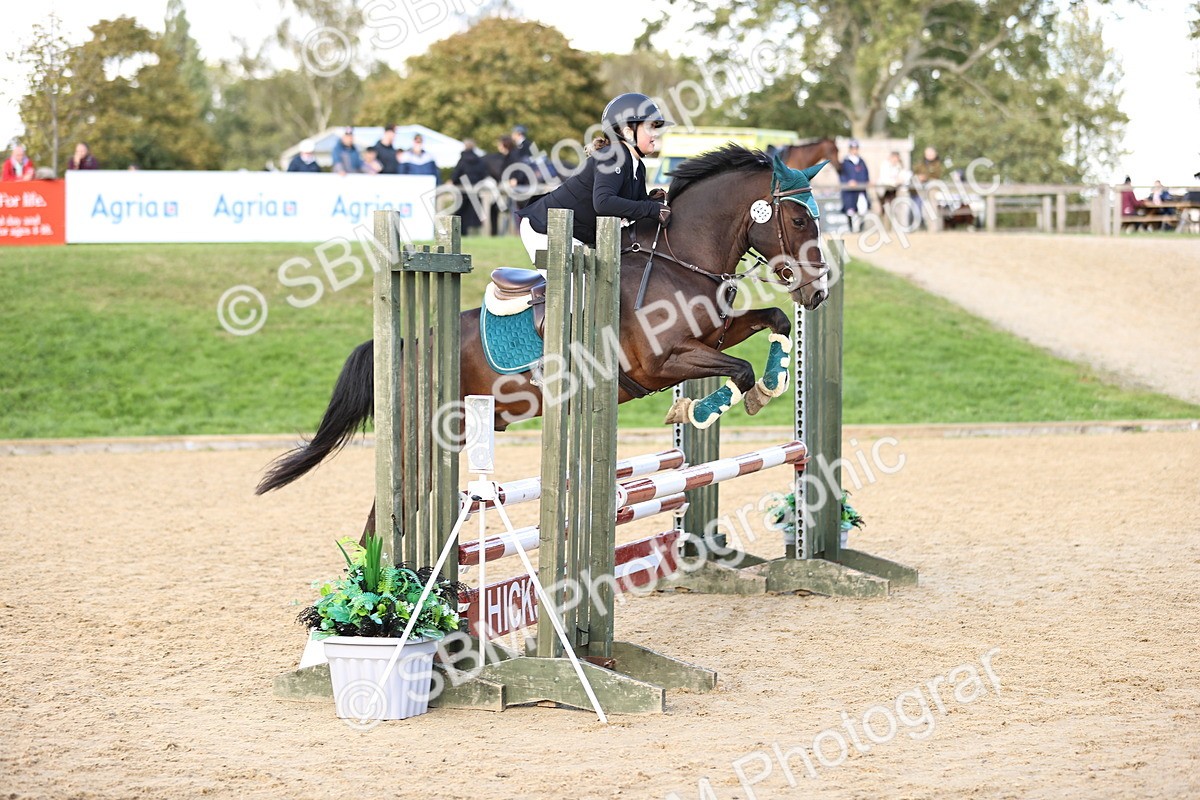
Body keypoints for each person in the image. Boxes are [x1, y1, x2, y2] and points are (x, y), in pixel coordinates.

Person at [517, 92, 672, 264]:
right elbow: (603, 203)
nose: (656, 134)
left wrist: (654, 201)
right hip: (545, 229)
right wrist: (651, 209)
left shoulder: (638, 166)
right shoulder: (612, 156)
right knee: (581, 288)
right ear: (628, 132)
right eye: (650, 127)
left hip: (570, 233)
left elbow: (634, 208)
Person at [449, 139, 490, 235]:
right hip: (476, 190)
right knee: (474, 214)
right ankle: (476, 233)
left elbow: (457, 173)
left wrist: (452, 181)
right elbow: (484, 174)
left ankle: (461, 232)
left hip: (462, 191)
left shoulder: (463, 160)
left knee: (461, 213)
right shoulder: (479, 160)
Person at [839, 139, 869, 231]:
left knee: (862, 208)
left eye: (856, 148)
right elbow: (842, 175)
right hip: (849, 192)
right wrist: (849, 182)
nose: (854, 150)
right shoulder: (845, 162)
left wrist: (863, 182)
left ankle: (861, 229)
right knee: (850, 210)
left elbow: (866, 174)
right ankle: (851, 229)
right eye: (852, 148)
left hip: (860, 190)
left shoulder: (861, 161)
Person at [912, 146, 944, 229]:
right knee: (923, 209)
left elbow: (938, 174)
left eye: (931, 153)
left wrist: (925, 177)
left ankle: (934, 228)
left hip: (933, 190)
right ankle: (926, 226)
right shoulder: (920, 164)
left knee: (932, 208)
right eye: (927, 153)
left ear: (935, 154)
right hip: (921, 190)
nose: (929, 155)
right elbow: (914, 173)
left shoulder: (938, 163)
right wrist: (918, 177)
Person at [877, 151, 911, 227]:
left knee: (892, 210)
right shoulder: (885, 165)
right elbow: (884, 179)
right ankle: (883, 227)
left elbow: (906, 176)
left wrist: (899, 181)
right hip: (884, 192)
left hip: (893, 192)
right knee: (884, 210)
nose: (895, 160)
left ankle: (890, 227)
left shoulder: (899, 166)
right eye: (893, 158)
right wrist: (895, 182)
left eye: (897, 158)